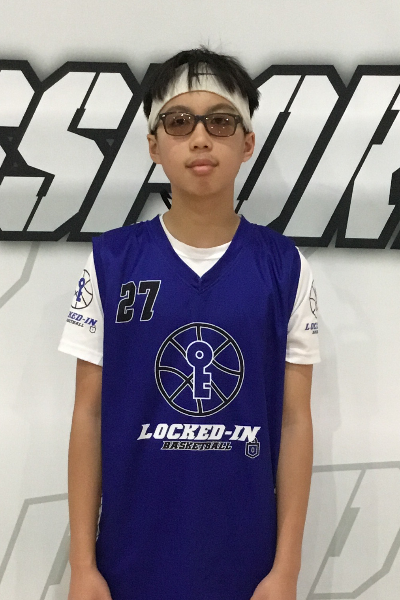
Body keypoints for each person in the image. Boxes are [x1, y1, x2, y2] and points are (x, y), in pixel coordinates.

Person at [58, 46, 320, 600]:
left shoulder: (285, 266)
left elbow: (296, 422)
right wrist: (82, 566)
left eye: (220, 121)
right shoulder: (110, 262)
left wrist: (286, 571)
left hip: (248, 568)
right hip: (128, 564)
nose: (200, 138)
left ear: (247, 143)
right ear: (154, 145)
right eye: (179, 121)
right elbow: (88, 413)